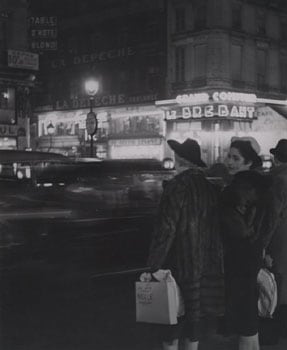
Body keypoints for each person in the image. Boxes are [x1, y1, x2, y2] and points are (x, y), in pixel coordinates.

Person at [146, 138, 225, 350]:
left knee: (171, 324)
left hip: (178, 265)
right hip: (204, 266)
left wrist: (154, 265)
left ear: (180, 159)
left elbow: (166, 229)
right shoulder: (210, 188)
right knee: (194, 324)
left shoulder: (176, 187)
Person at [220, 138, 266, 350]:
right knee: (249, 315)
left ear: (248, 162)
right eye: (228, 156)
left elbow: (238, 230)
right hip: (253, 256)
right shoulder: (259, 185)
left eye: (235, 158)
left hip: (238, 259)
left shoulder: (235, 191)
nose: (229, 161)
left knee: (243, 318)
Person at [258, 139, 287, 337]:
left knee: (275, 283)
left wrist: (263, 246)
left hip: (280, 238)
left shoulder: (278, 180)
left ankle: (272, 331)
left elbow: (273, 215)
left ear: (277, 159)